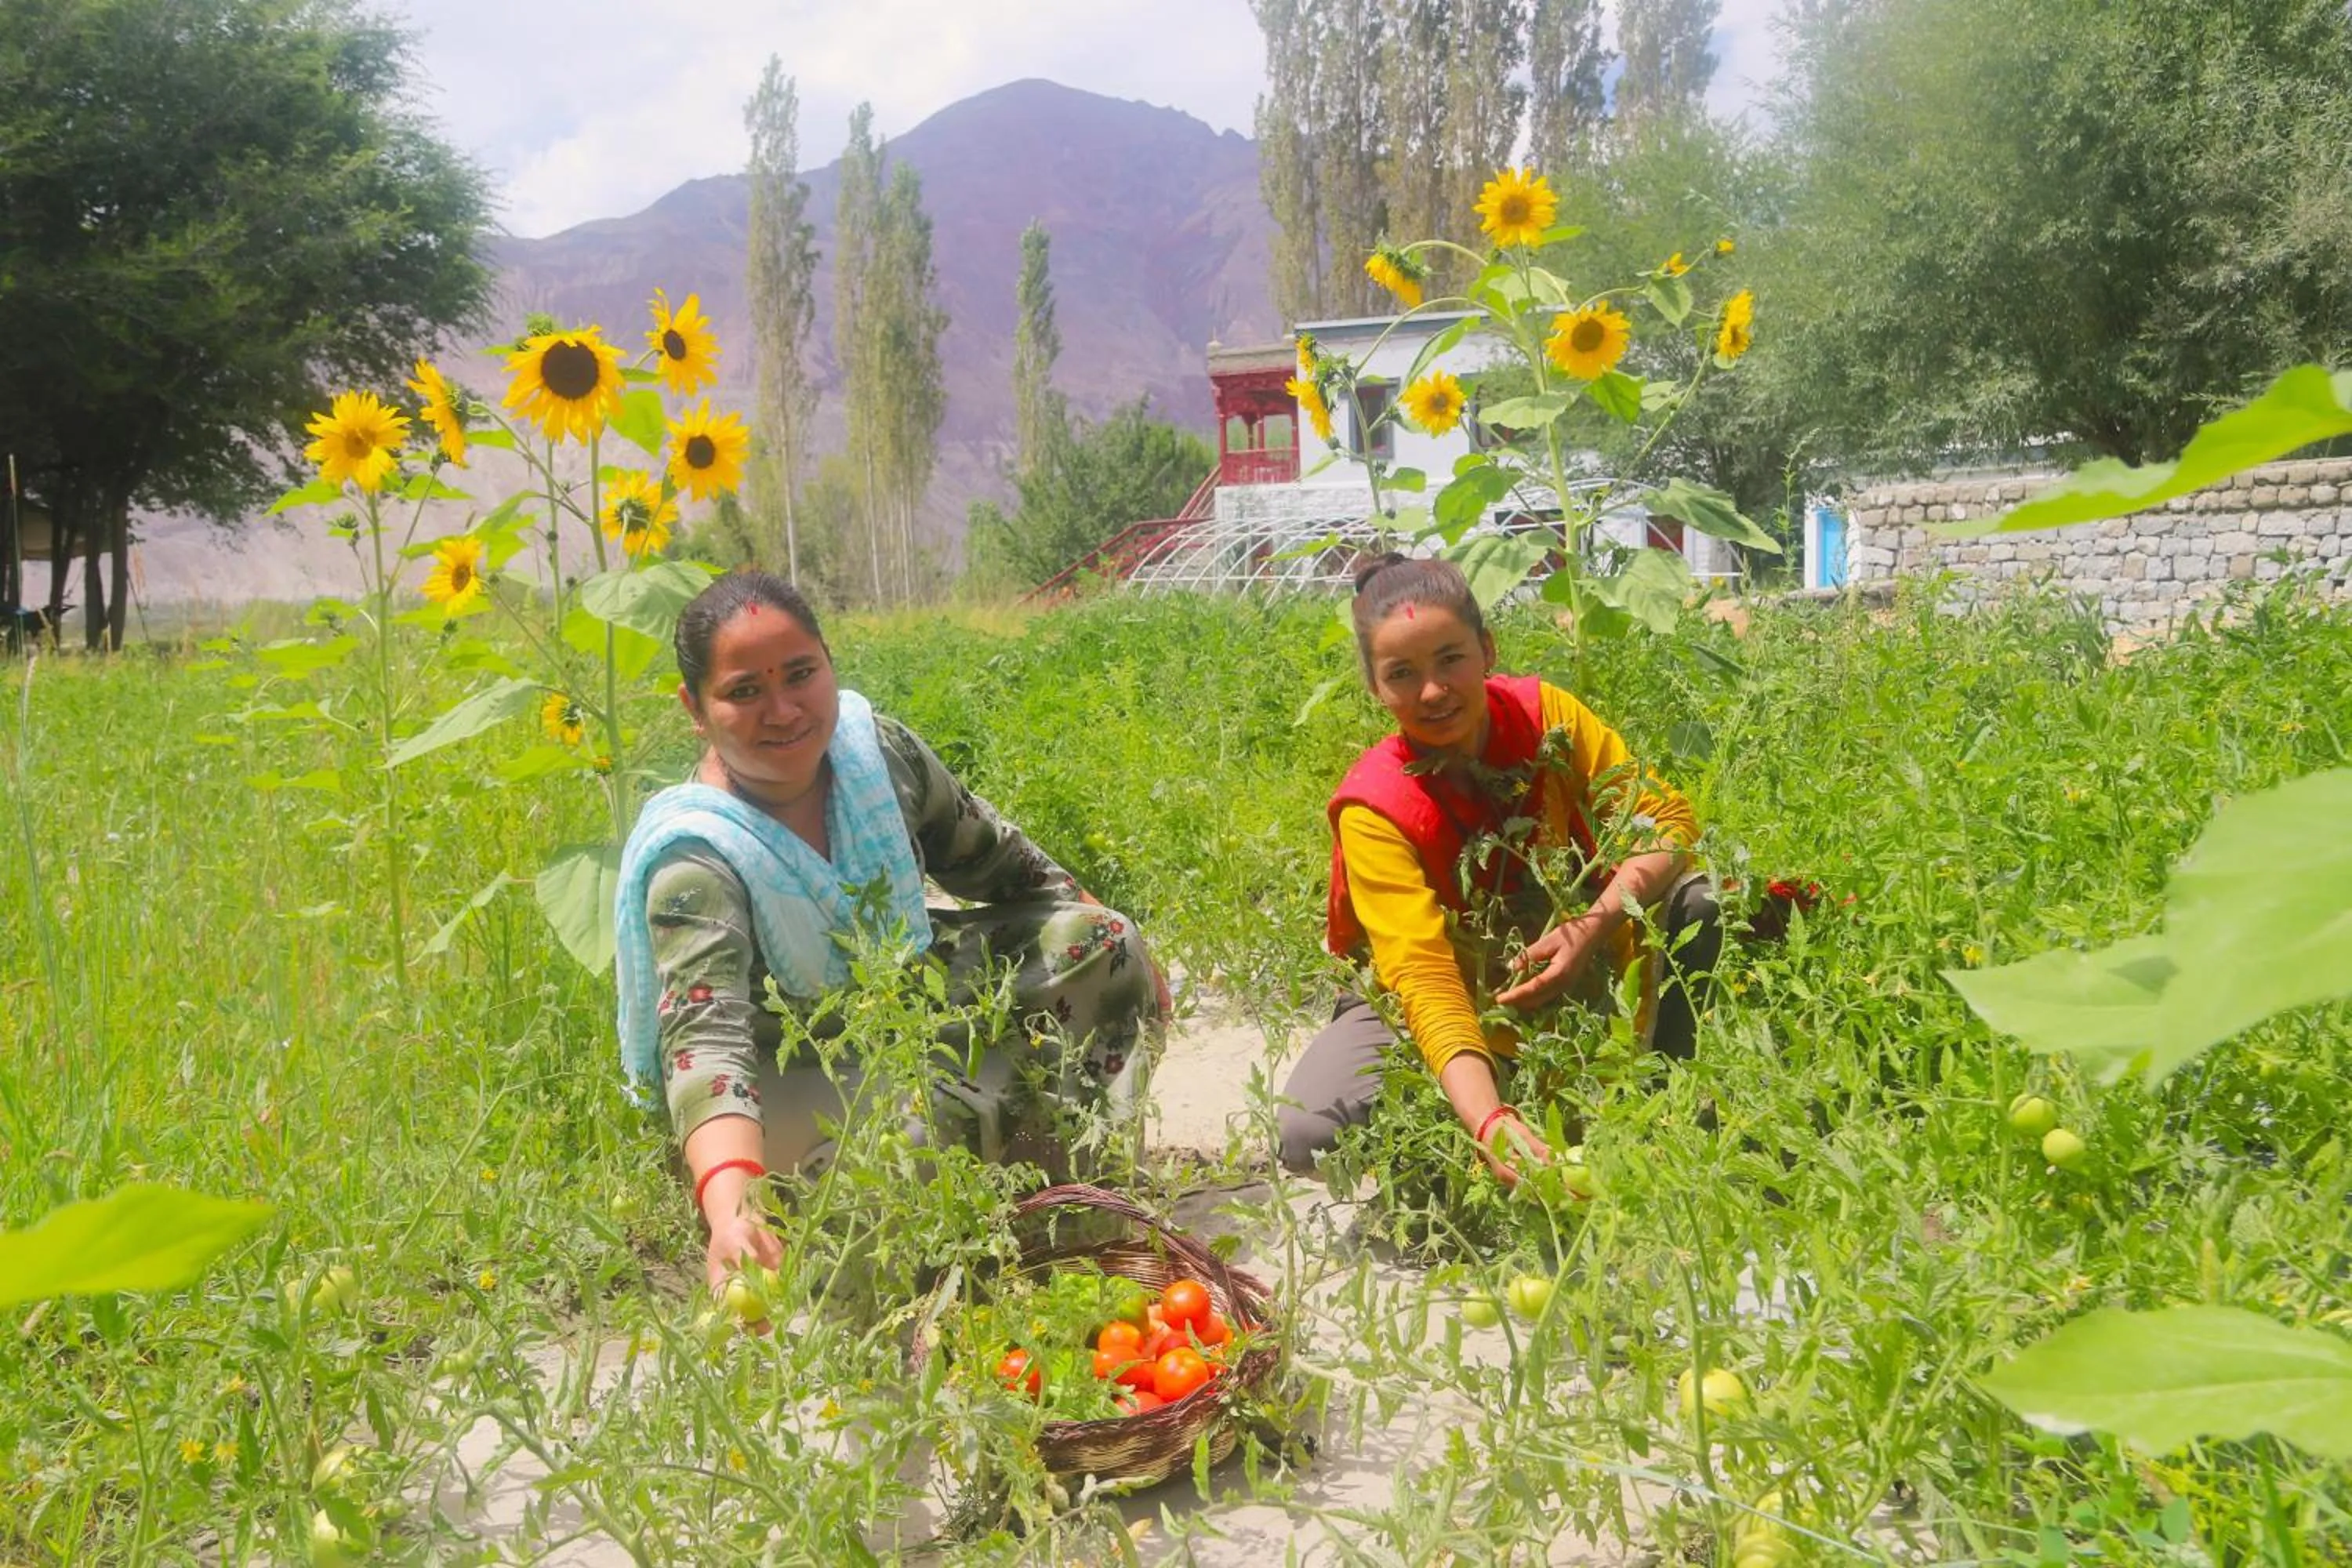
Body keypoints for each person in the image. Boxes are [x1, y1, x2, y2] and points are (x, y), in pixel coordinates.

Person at [615, 571, 1167, 1287]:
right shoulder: (698, 859)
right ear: (696, 707)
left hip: (904, 1009)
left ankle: (1086, 1198)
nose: (782, 711)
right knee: (932, 1133)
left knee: (1105, 943)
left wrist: (1132, 956)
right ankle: (839, 1212)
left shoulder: (875, 758)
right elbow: (708, 1049)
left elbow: (998, 860)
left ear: (829, 663)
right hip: (788, 1075)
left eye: (800, 674)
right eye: (744, 690)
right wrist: (729, 1210)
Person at [1275, 554, 1720, 1186]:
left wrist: (1590, 926)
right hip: (1434, 996)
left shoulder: (1549, 719)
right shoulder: (1374, 806)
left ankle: (1669, 1107)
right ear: (1376, 688)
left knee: (1699, 902)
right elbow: (1424, 975)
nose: (1433, 691)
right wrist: (1489, 1122)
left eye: (1451, 658)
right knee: (1312, 1132)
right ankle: (1471, 1145)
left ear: (1488, 649)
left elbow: (1668, 823)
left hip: (1575, 959)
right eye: (1402, 673)